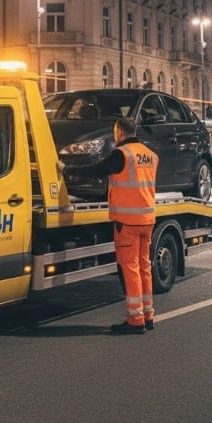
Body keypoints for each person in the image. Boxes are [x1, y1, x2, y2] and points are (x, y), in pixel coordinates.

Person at [58, 117, 159, 335]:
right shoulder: (150, 155)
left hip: (127, 222)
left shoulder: (121, 154)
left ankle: (135, 320)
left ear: (120, 133)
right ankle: (148, 315)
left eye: (115, 134)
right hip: (147, 220)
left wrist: (66, 169)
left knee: (130, 268)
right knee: (144, 267)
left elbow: (96, 169)